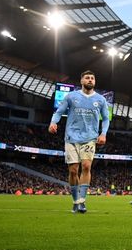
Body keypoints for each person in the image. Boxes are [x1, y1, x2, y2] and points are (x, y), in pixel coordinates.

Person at [48, 70, 110, 213]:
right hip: (71, 137)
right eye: (87, 78)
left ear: (94, 82)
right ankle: (75, 200)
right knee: (73, 170)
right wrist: (53, 123)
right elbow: (58, 112)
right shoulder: (71, 96)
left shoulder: (101, 99)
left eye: (92, 78)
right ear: (81, 81)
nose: (90, 80)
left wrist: (103, 133)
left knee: (87, 166)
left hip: (90, 138)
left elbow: (106, 118)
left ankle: (82, 201)